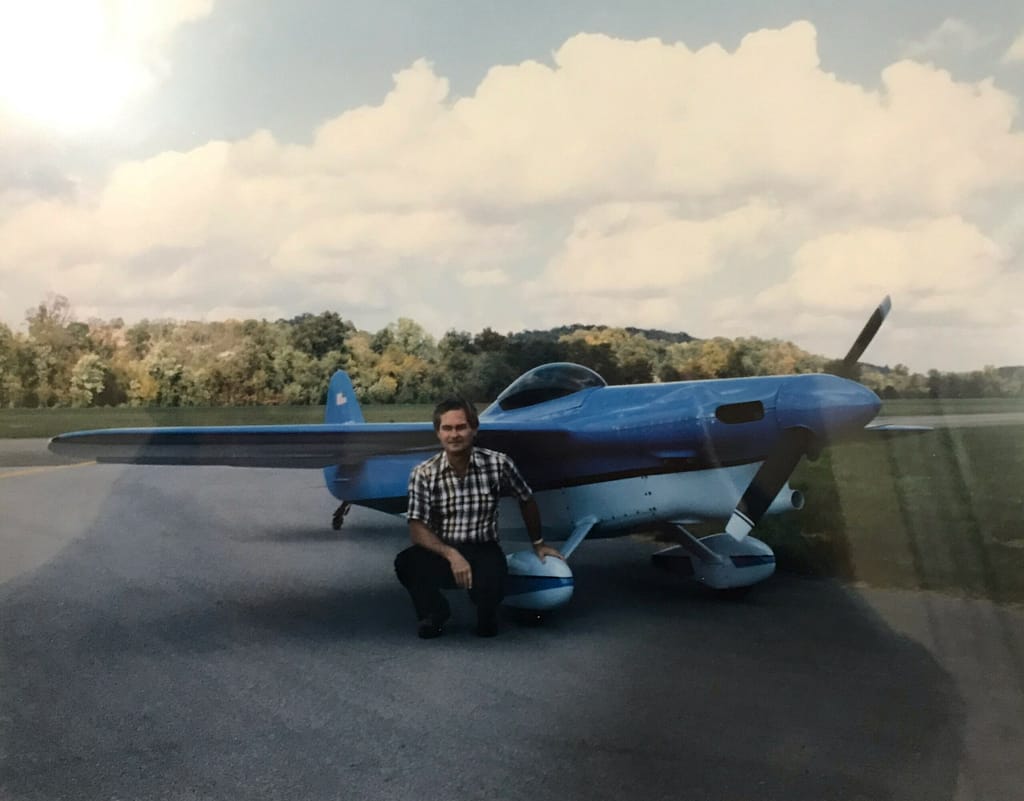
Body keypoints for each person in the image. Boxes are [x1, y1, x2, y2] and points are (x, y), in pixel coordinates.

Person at [394, 397, 563, 638]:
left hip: (483, 548)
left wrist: (539, 543)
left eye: (461, 427)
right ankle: (435, 613)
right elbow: (416, 527)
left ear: (474, 429)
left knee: (489, 610)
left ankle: (486, 611)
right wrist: (452, 555)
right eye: (447, 428)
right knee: (406, 562)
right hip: (443, 550)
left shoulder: (498, 463)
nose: (455, 435)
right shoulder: (423, 473)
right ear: (438, 433)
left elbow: (525, 498)